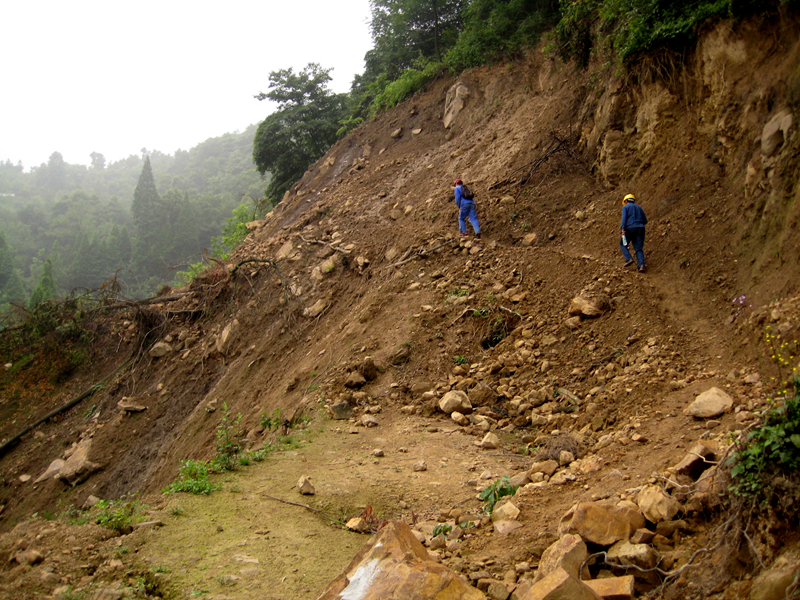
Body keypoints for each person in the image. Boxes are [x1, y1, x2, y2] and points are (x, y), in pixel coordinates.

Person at [620, 193, 648, 272]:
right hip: (641, 228)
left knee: (623, 244)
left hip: (630, 228)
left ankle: (629, 258)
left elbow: (624, 219)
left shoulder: (625, 207)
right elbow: (645, 220)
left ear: (626, 200)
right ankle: (641, 265)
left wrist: (623, 229)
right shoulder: (639, 207)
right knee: (639, 248)